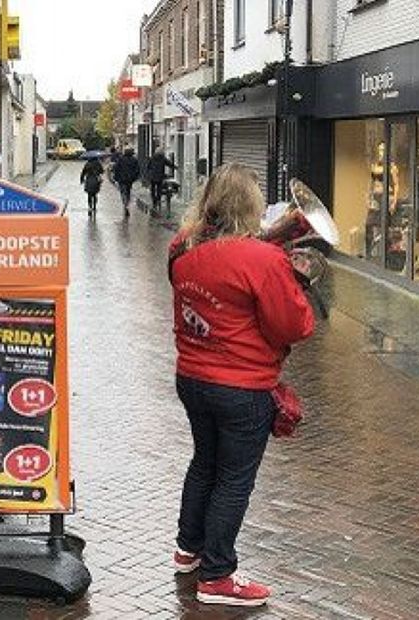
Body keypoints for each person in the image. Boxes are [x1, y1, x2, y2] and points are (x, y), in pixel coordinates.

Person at [168, 163, 315, 607]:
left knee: (204, 464)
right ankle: (217, 576)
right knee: (234, 479)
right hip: (242, 385)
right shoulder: (264, 258)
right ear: (253, 206)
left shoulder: (182, 247)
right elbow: (293, 326)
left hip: (192, 376)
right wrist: (298, 282)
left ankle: (188, 551)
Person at [147, 149, 177, 217]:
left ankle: (154, 200)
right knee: (159, 189)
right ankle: (158, 199)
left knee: (153, 189)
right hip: (160, 176)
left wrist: (149, 173)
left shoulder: (152, 158)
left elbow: (148, 166)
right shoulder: (163, 158)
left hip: (152, 176)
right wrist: (175, 167)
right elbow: (169, 164)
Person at [114, 148, 142, 218]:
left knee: (123, 192)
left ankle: (125, 204)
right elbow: (137, 169)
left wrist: (116, 177)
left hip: (121, 179)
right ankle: (127, 204)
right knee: (128, 191)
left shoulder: (120, 159)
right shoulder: (134, 160)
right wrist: (135, 177)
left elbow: (116, 168)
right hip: (130, 179)